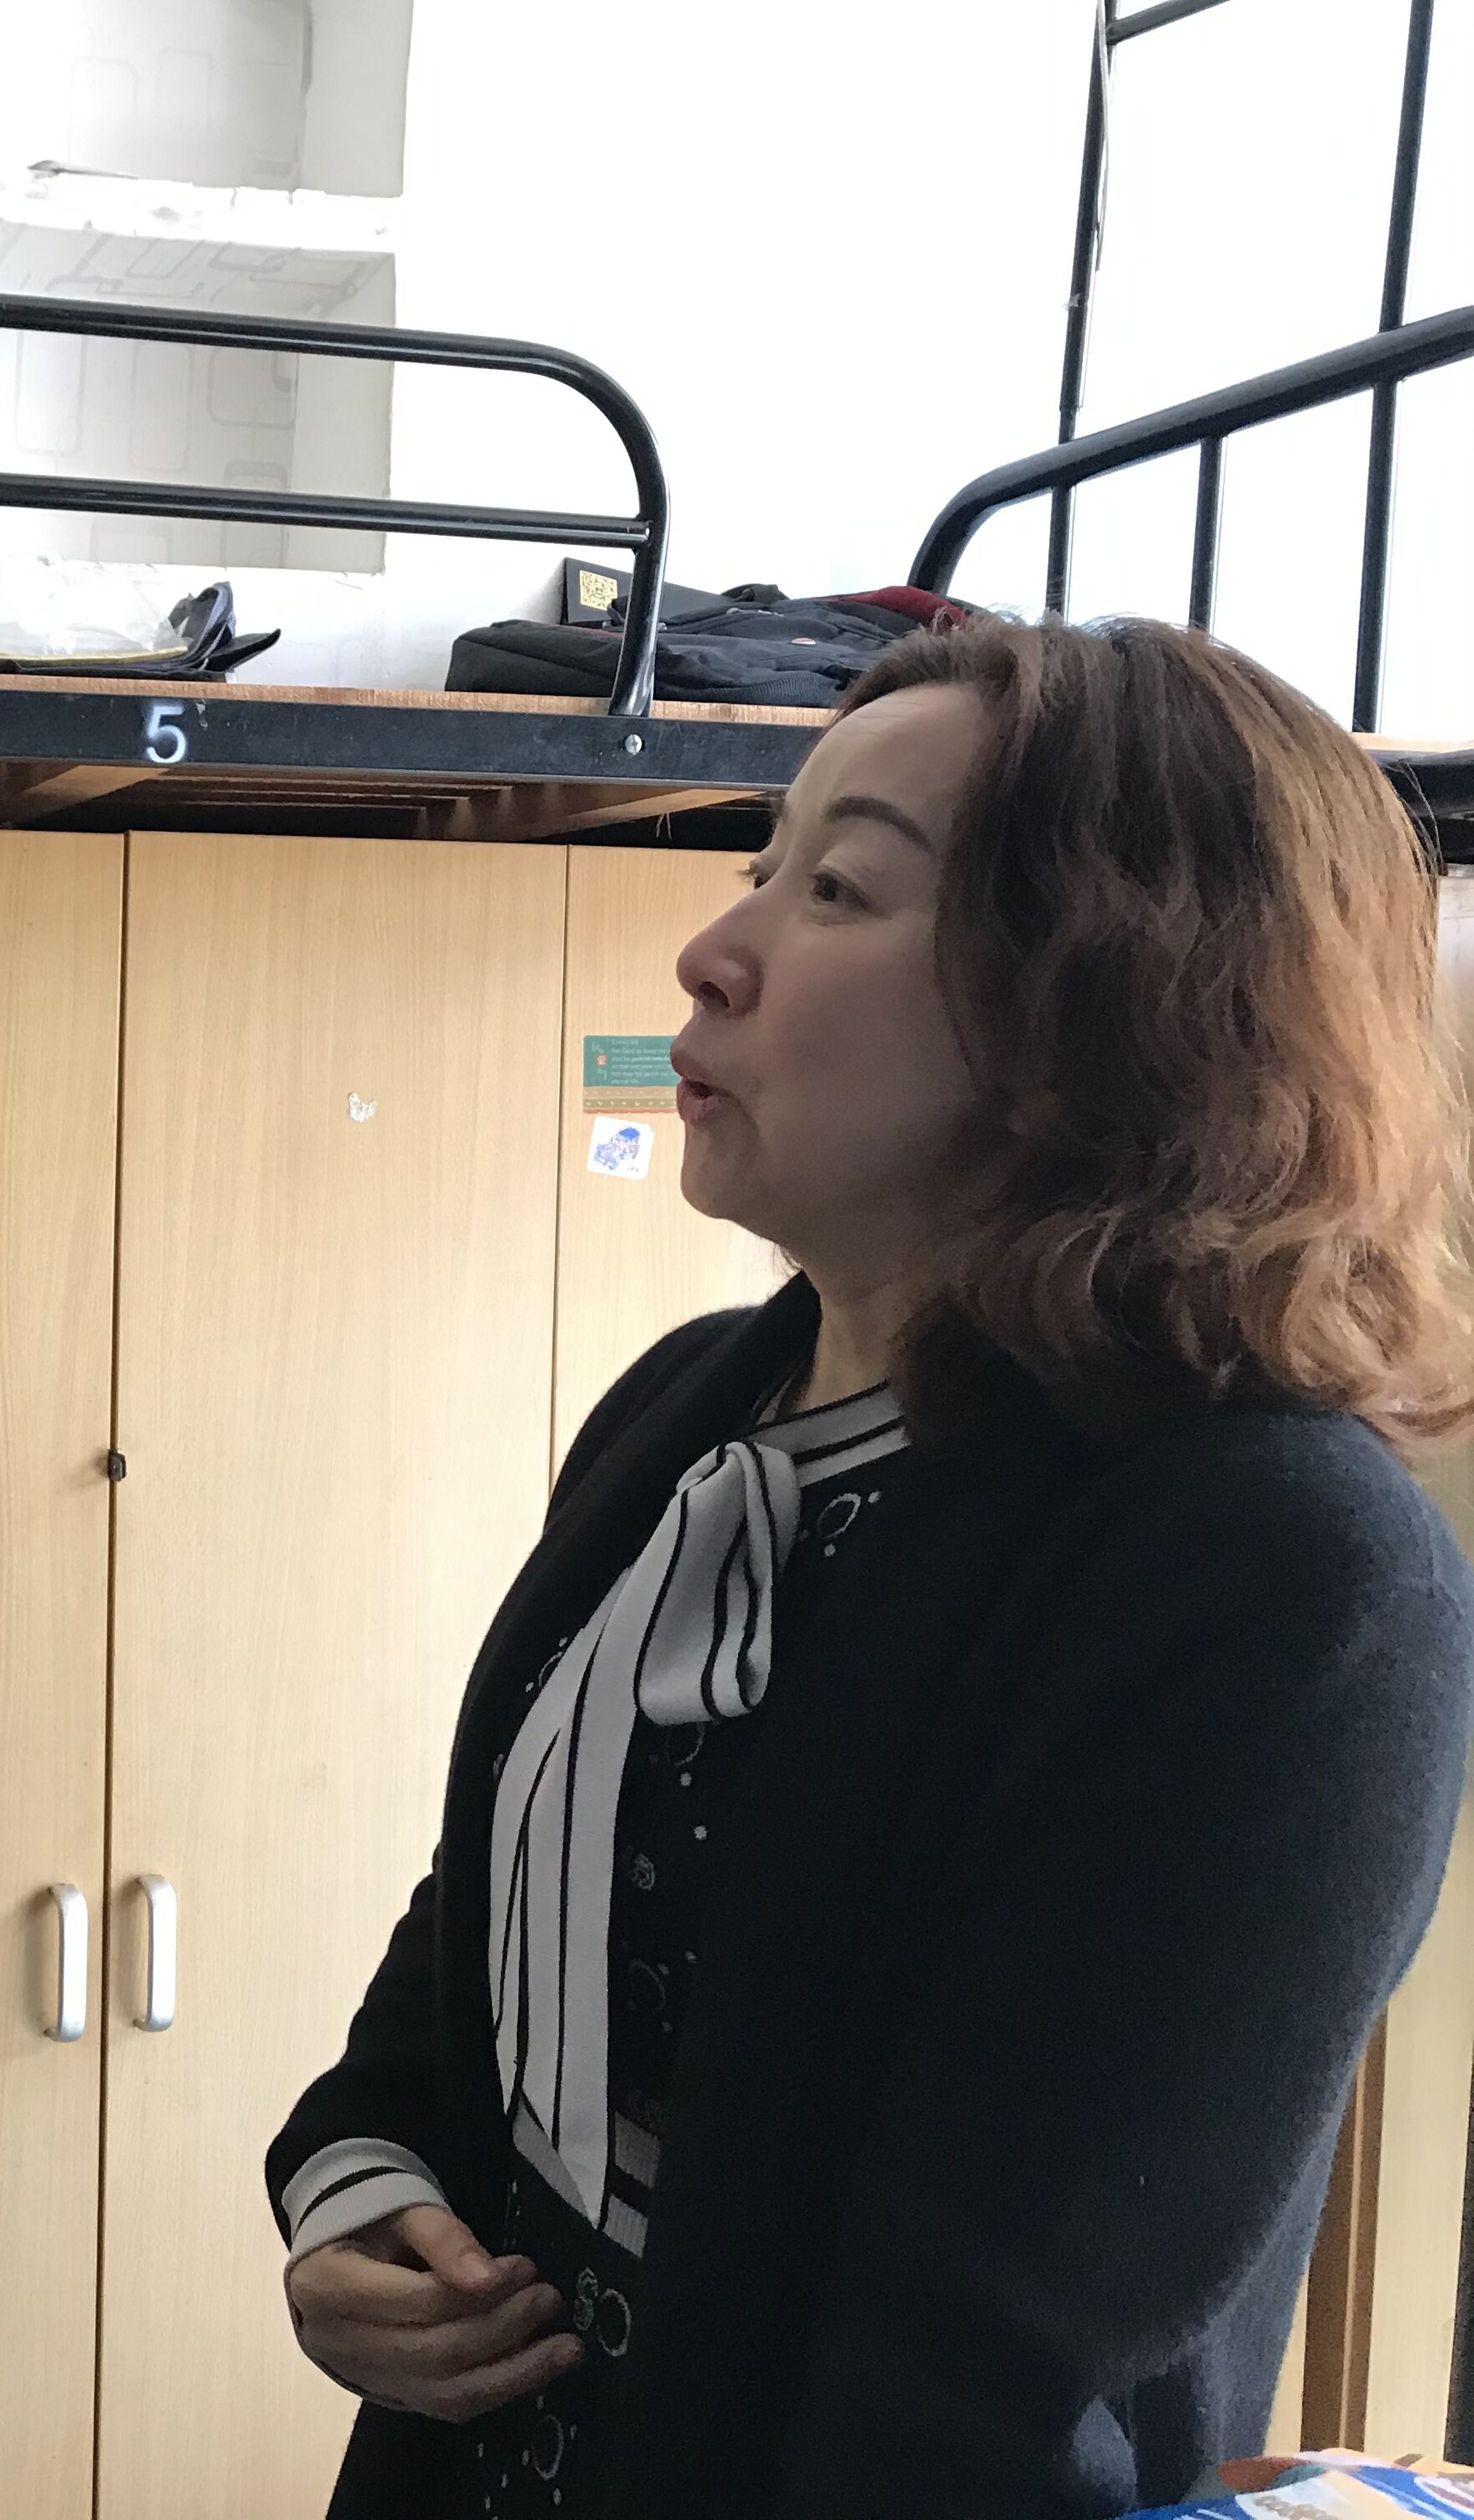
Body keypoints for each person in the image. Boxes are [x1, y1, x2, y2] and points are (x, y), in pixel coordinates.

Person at [270, 615, 1474, 2520]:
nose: (713, 949)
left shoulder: (1281, 1569)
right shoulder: (689, 1404)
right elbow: (500, 1903)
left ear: (1108, 1002)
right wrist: (362, 2183)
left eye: (837, 889)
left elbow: (989, 2383)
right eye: (765, 866)